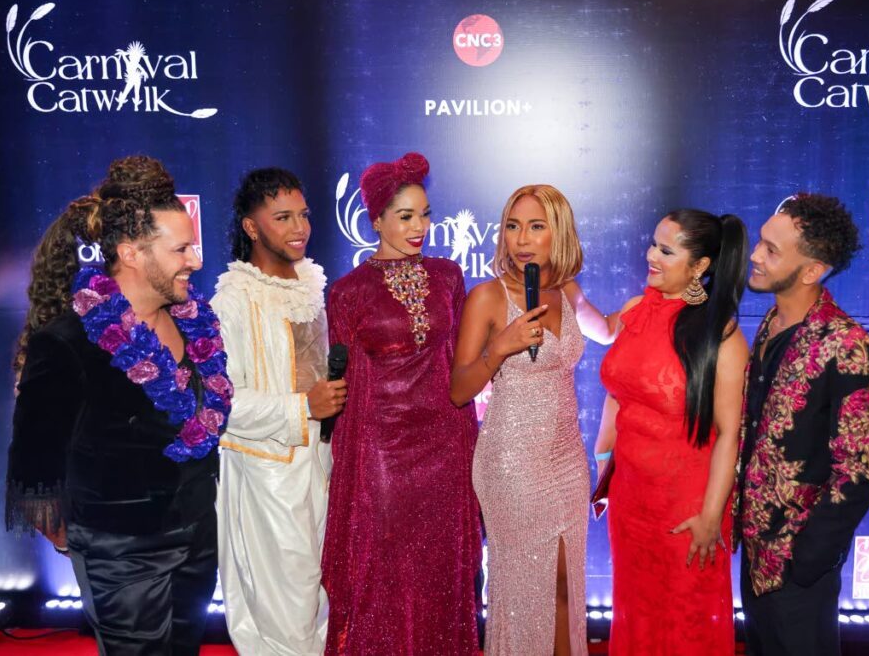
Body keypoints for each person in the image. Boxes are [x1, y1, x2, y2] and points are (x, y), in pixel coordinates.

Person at [5, 156, 231, 655]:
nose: (194, 259)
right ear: (131, 253)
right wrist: (86, 544)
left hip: (197, 539)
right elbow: (34, 463)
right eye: (180, 249)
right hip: (122, 551)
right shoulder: (67, 342)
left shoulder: (197, 324)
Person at [322, 152, 481, 655]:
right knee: (385, 569)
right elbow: (345, 383)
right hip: (383, 453)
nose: (420, 227)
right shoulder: (347, 292)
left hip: (444, 440)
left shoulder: (450, 276)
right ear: (376, 221)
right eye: (406, 216)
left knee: (441, 567)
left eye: (426, 214)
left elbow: (460, 359)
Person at [450, 184, 617, 656]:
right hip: (512, 464)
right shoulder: (487, 296)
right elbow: (459, 390)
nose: (521, 237)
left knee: (566, 588)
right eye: (513, 225)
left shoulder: (568, 292)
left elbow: (607, 329)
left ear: (558, 233)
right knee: (525, 596)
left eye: (536, 226)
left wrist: (669, 299)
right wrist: (499, 347)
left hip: (565, 460)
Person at [595, 208, 750, 655]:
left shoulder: (721, 335)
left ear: (701, 266)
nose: (651, 256)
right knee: (636, 614)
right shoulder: (634, 310)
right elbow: (619, 395)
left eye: (666, 250)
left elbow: (727, 434)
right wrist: (604, 463)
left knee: (684, 623)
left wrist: (709, 516)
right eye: (652, 244)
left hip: (686, 508)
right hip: (631, 501)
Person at [735, 193, 869, 656]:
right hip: (755, 556)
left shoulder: (847, 346)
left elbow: (859, 474)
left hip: (799, 570)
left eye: (771, 250)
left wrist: (806, 561)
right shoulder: (771, 323)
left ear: (812, 270)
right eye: (760, 243)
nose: (755, 256)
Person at [212, 168, 347, 655]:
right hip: (267, 473)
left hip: (323, 464)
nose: (300, 228)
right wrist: (301, 406)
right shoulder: (234, 298)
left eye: (304, 215)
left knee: (318, 606)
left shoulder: (311, 282)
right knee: (283, 614)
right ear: (252, 227)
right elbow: (221, 402)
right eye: (283, 217)